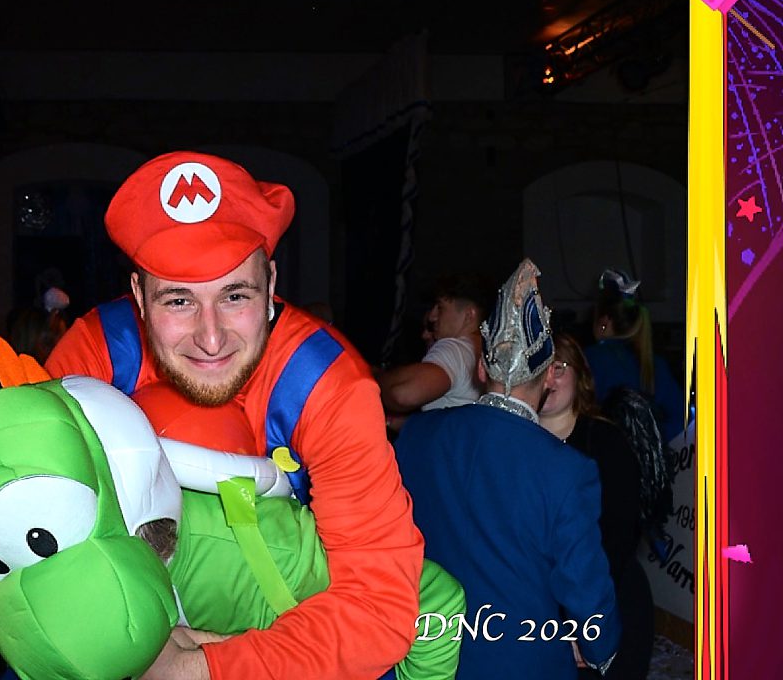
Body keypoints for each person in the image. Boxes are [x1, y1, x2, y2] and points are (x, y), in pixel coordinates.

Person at [46, 151, 423, 680]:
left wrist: (199, 668)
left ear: (270, 284)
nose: (211, 338)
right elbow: (7, 524)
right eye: (178, 301)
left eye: (235, 295)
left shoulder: (327, 385)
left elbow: (378, 609)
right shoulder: (92, 358)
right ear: (138, 296)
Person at [395, 259, 621, 680]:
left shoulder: (419, 435)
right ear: (548, 377)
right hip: (521, 662)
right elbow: (583, 583)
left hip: (425, 651)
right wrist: (599, 646)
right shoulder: (567, 470)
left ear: (482, 368)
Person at [540, 333, 654, 680]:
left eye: (560, 367)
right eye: (541, 368)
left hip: (607, 595)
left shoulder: (606, 441)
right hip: (539, 604)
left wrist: (581, 619)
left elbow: (619, 533)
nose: (549, 378)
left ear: (581, 376)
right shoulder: (515, 442)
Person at [377, 274, 491, 425]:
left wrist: (373, 379)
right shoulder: (487, 351)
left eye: (440, 308)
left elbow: (403, 394)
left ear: (469, 315)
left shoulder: (454, 348)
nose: (432, 316)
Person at [586, 268, 685, 441]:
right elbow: (681, 417)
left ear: (604, 323)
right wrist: (650, 440)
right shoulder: (655, 364)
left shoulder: (590, 358)